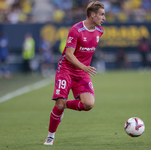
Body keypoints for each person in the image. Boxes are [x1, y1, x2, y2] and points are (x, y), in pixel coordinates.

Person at [44, 1, 105, 145]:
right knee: (59, 103)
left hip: (82, 72)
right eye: (102, 14)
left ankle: (64, 106)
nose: (104, 18)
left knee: (88, 104)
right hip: (66, 69)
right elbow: (69, 55)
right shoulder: (76, 29)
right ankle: (50, 136)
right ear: (92, 15)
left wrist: (83, 69)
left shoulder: (99, 31)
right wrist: (84, 67)